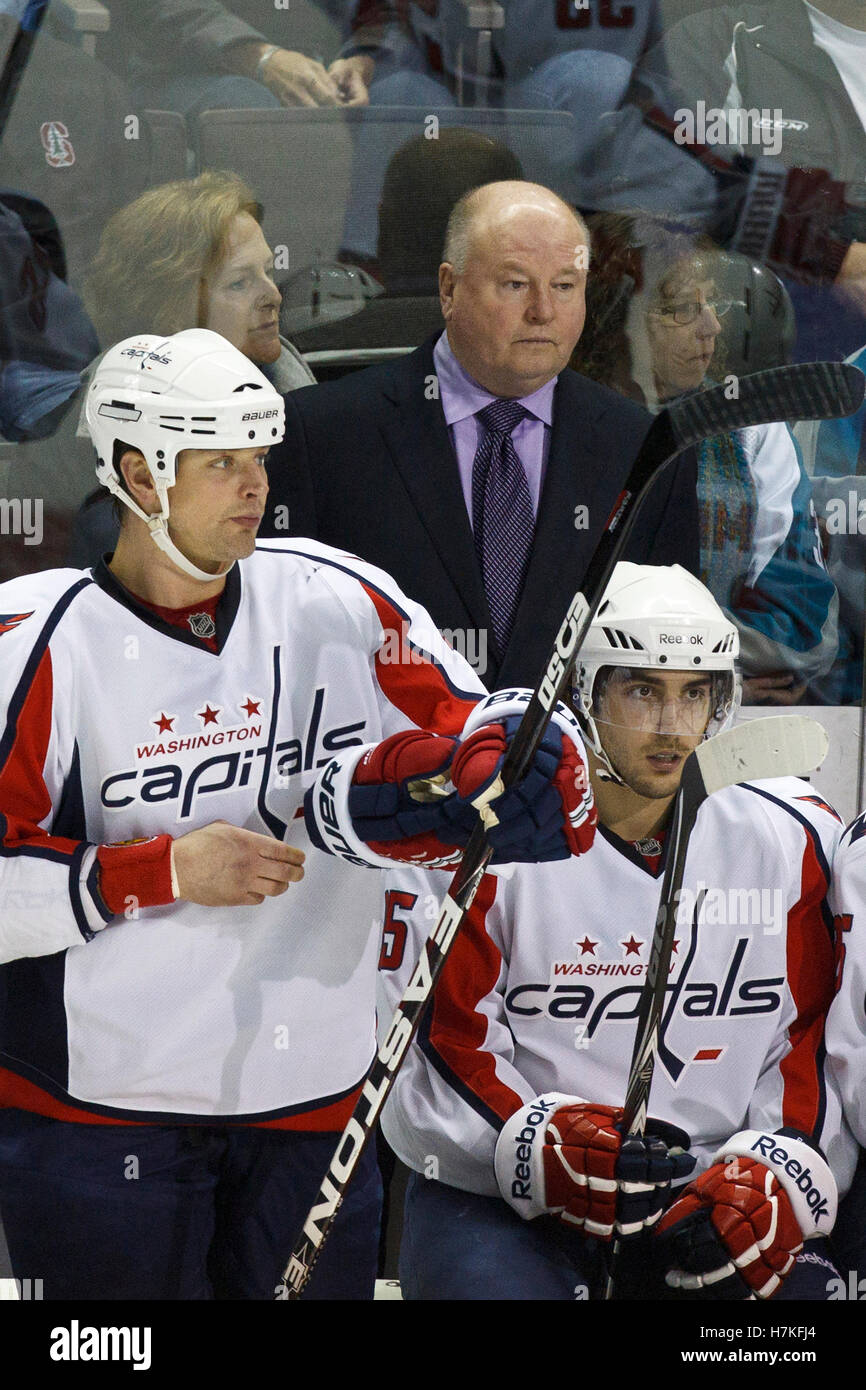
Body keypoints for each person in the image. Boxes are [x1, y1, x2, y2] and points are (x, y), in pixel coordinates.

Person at [0, 326, 596, 1301]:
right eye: (220, 461)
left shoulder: (334, 599)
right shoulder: (38, 647)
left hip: (311, 1107)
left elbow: (478, 723)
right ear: (138, 475)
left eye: (259, 456)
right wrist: (166, 870)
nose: (255, 486)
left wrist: (525, 764)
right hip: (96, 1117)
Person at [376, 561, 854, 1300]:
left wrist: (778, 1166)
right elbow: (438, 1043)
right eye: (641, 691)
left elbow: (820, 1040)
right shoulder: (491, 833)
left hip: (710, 1198)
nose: (671, 727)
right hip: (509, 1203)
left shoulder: (793, 837)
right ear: (584, 691)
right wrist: (530, 1143)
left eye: (695, 693)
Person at [263, 180, 701, 690]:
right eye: (516, 285)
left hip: (572, 764)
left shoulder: (645, 450)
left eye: (564, 286)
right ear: (449, 289)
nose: (542, 310)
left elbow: (667, 654)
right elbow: (280, 640)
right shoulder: (320, 434)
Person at [572, 212, 838, 705]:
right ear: (616, 320)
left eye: (711, 303)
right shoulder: (550, 425)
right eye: (681, 310)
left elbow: (804, 620)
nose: (712, 327)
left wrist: (707, 672)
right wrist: (707, 672)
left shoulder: (752, 428)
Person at [18, 170, 315, 575]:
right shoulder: (96, 437)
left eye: (267, 271)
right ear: (174, 310)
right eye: (240, 283)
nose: (273, 295)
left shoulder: (294, 385)